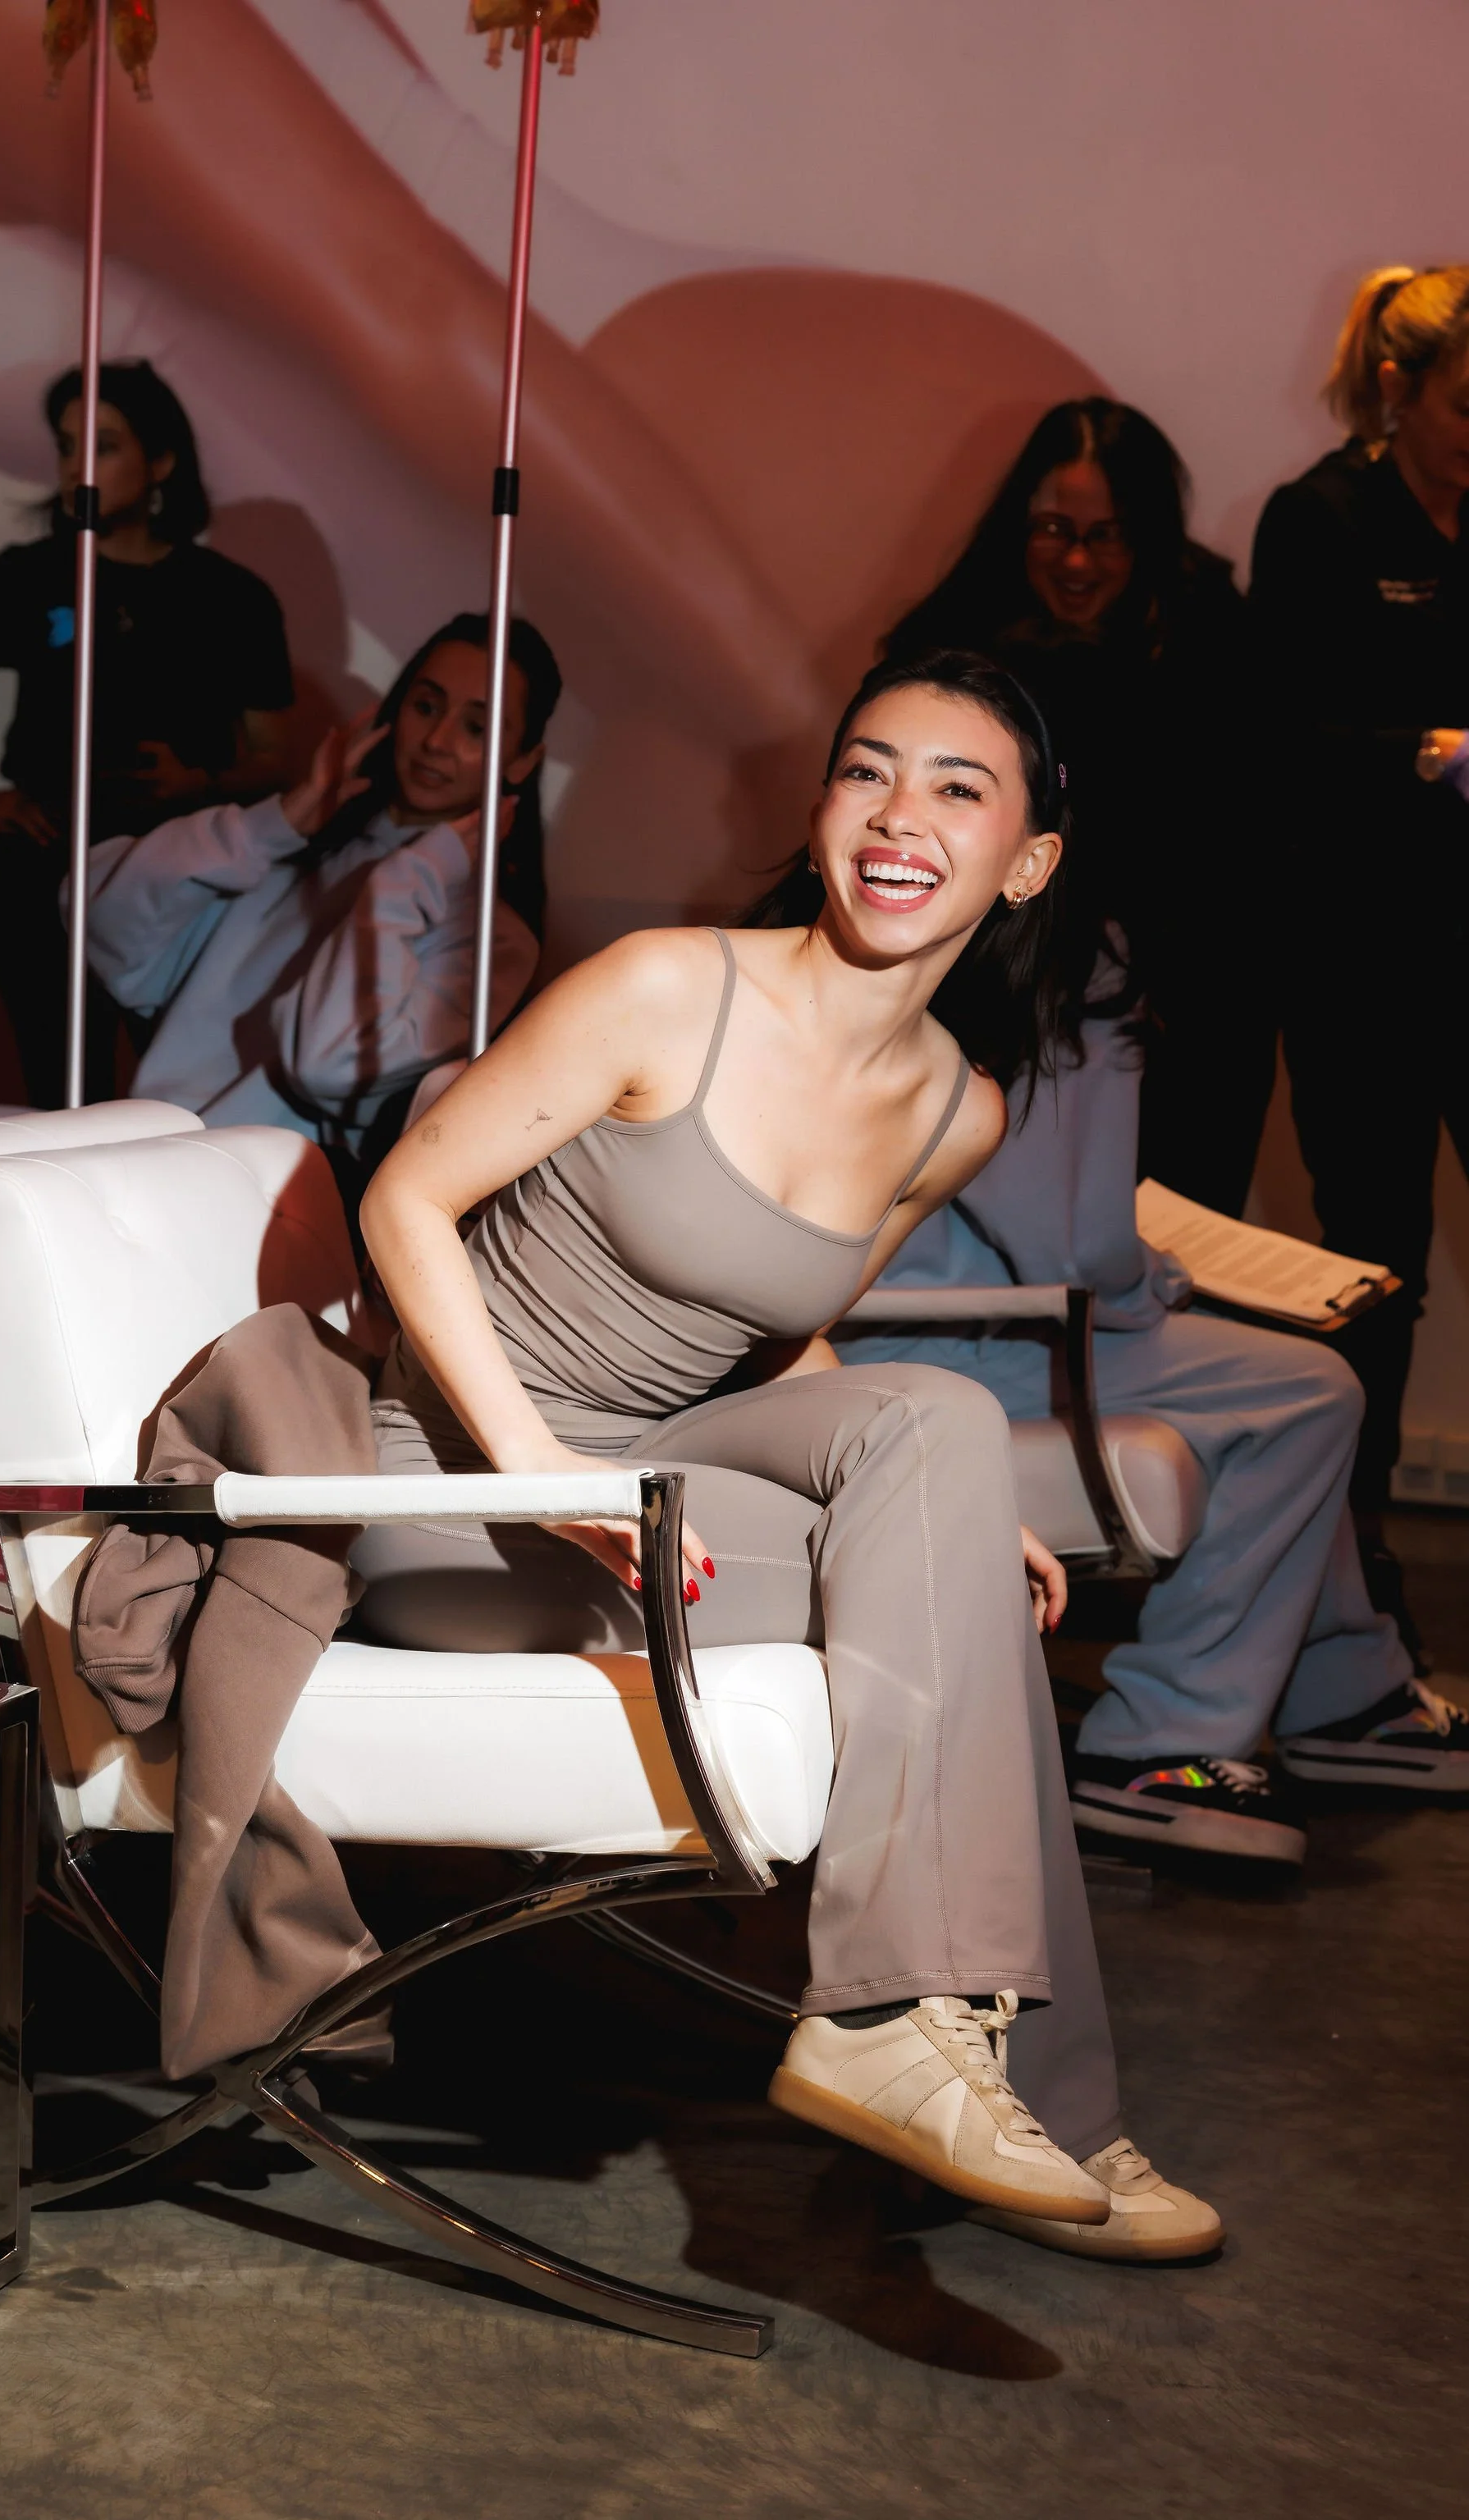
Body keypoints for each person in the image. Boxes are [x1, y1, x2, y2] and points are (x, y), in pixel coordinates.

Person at [355, 649, 1222, 2265]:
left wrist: (939, 1503)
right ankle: (999, 2064)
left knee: (945, 1437)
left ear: (1027, 860)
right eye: (868, 770)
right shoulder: (667, 988)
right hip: (468, 1481)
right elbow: (405, 1197)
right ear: (822, 807)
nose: (901, 817)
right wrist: (543, 1468)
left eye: (958, 789)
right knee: (947, 1551)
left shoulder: (950, 1108)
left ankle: (939, 2045)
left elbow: (776, 1329)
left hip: (656, 1471)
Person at [835, 924, 1467, 1861]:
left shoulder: (863, 946)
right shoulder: (1062, 960)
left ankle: (1344, 1685)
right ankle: (1161, 1741)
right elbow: (1070, 1245)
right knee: (1311, 1388)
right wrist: (1165, 1277)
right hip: (977, 1336)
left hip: (878, 1321)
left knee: (1278, 1382)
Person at [883, 399, 1273, 1218]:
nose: (1076, 562)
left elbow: (1245, 847)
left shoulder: (1214, 637)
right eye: (1053, 529)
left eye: (1108, 535)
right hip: (996, 1010)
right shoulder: (948, 646)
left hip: (1181, 1016)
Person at [1250, 267, 1469, 1649]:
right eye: (1466, 407)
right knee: (1376, 1260)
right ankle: (1355, 1542)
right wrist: (1423, 757)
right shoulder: (1318, 520)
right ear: (1399, 391)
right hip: (1358, 964)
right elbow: (1271, 749)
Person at [0, 359, 294, 1105]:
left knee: (180, 1096)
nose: (78, 466)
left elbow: (278, 760)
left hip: (180, 877)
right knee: (60, 1090)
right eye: (67, 445)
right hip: (47, 865)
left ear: (161, 460)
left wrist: (196, 785)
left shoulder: (231, 598)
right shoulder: (29, 576)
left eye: (103, 445)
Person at [80, 615, 556, 1164]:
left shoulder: (494, 938)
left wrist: (408, 880)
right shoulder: (297, 852)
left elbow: (329, 1064)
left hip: (251, 1192)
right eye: (425, 707)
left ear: (523, 760)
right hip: (133, 1144)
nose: (436, 741)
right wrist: (275, 824)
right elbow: (99, 917)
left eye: (478, 728)